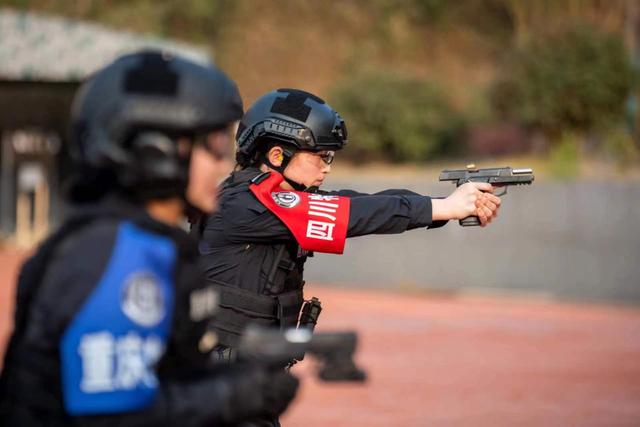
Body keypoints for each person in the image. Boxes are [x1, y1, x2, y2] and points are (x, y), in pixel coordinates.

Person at [0, 52, 298, 426]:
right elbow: (113, 417)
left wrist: (236, 379)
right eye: (214, 146)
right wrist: (236, 396)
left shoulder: (141, 241)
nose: (225, 165)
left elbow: (159, 378)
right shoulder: (115, 255)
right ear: (155, 151)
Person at [196, 88, 501, 362]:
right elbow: (352, 214)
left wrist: (449, 204)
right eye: (321, 156)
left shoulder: (267, 199)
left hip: (242, 371)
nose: (327, 167)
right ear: (277, 155)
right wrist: (444, 207)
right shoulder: (246, 203)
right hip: (217, 375)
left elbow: (359, 202)